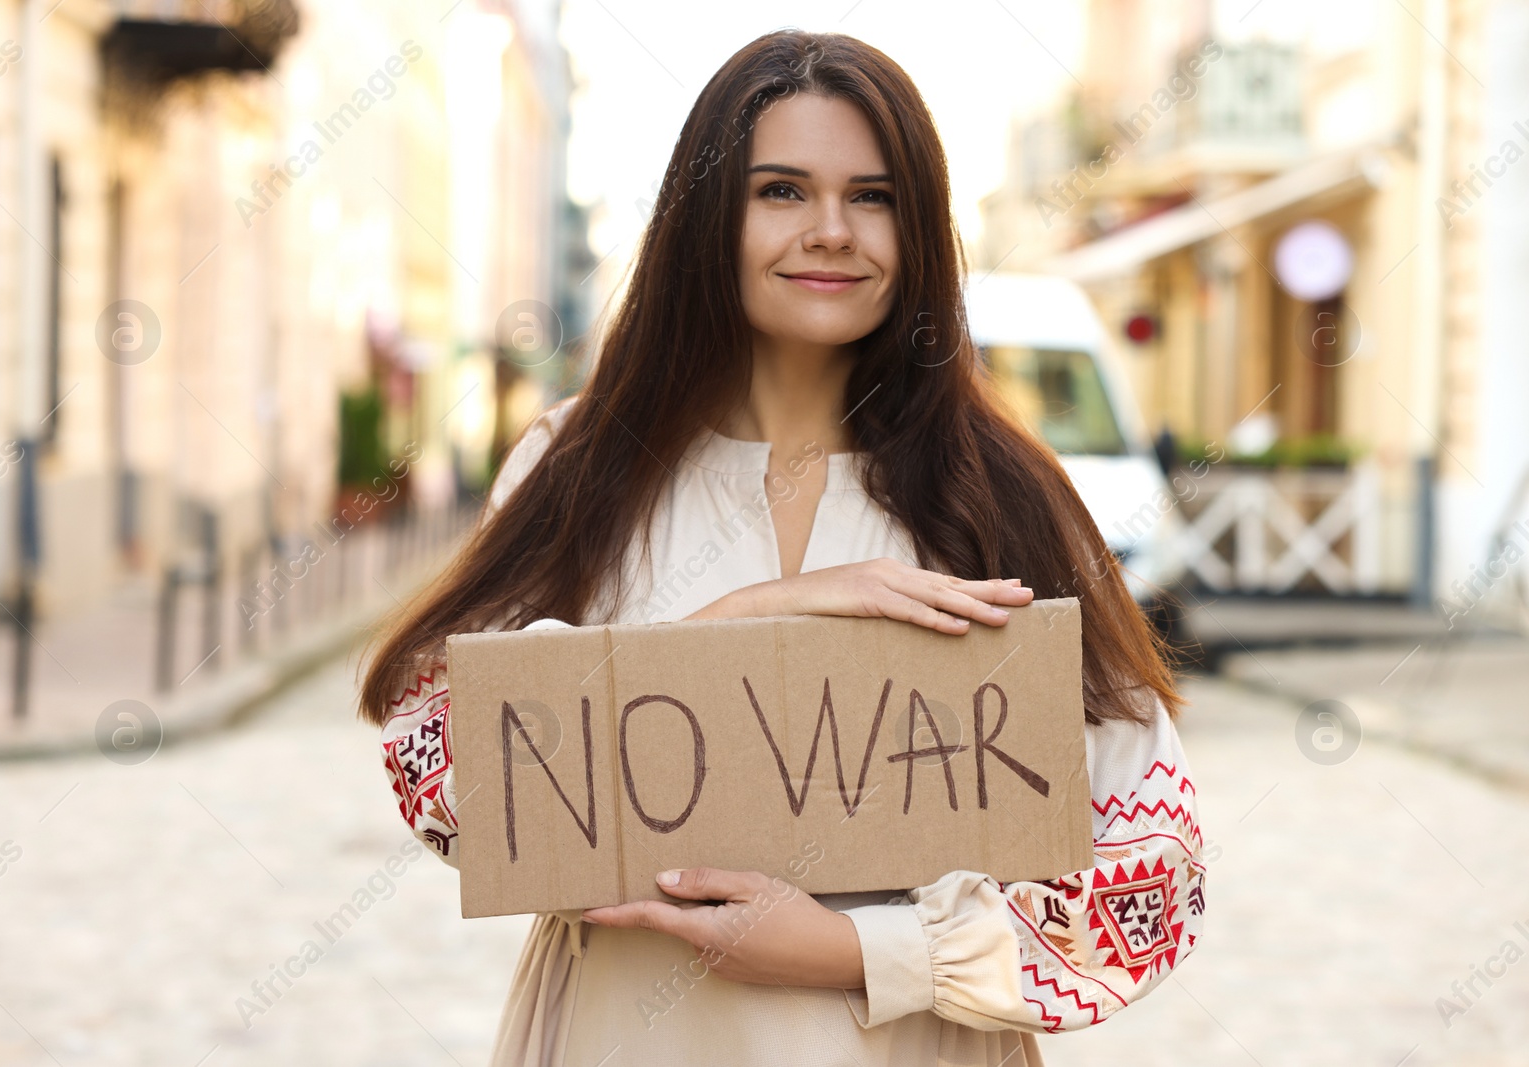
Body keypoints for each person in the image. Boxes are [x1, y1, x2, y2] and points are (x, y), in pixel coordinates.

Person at [360, 29, 1204, 1067]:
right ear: (707, 217)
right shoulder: (574, 466)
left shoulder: (1010, 496)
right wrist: (744, 622)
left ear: (922, 229)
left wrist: (857, 947)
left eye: (875, 196)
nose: (832, 231)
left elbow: (1148, 881)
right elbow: (444, 775)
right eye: (781, 191)